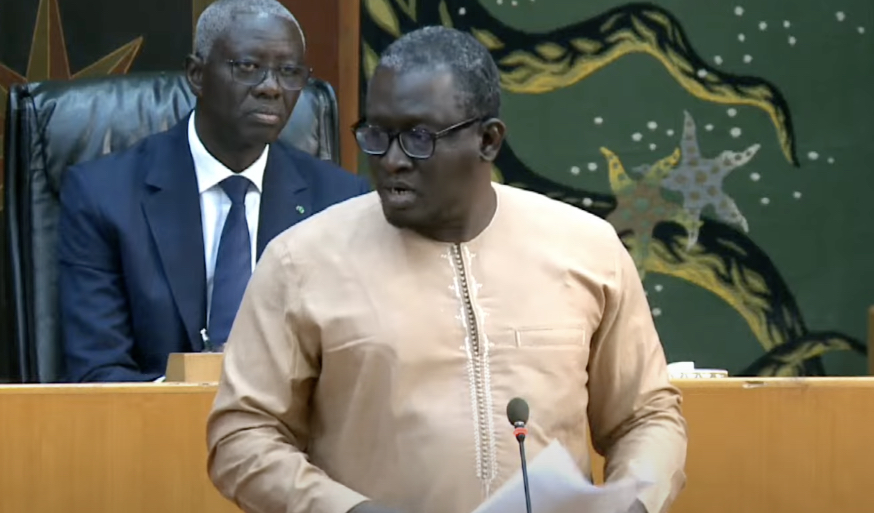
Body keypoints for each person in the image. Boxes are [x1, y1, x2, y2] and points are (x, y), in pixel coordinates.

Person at [206, 26, 687, 513]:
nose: (391, 160)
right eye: (378, 135)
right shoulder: (300, 261)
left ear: (488, 140)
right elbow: (242, 436)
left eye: (418, 137)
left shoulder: (587, 248)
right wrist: (348, 510)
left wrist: (636, 502)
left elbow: (645, 418)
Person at [58, 0, 370, 383]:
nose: (271, 88)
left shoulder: (339, 202)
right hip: (157, 416)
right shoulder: (103, 196)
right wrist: (195, 395)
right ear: (196, 75)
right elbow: (97, 373)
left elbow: (352, 366)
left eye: (289, 72)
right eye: (249, 67)